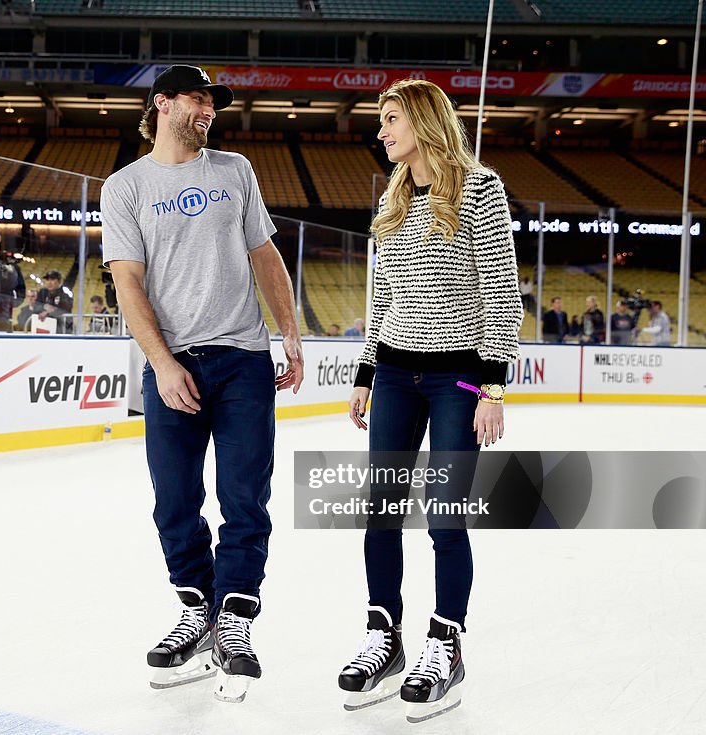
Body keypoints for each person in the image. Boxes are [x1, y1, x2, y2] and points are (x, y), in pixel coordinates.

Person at [100, 64, 304, 703]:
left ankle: (235, 621)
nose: (208, 110)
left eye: (213, 102)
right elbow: (127, 283)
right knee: (174, 503)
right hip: (172, 365)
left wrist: (290, 333)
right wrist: (162, 363)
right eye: (197, 99)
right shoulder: (126, 186)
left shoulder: (234, 171)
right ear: (162, 104)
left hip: (243, 359)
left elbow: (264, 255)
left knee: (245, 499)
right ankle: (198, 611)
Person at [341, 79, 522, 723]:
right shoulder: (390, 202)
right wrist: (365, 372)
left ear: (423, 120)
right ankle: (382, 638)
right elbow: (380, 302)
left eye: (391, 120)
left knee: (444, 516)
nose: (381, 131)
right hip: (392, 376)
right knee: (381, 511)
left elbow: (501, 294)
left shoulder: (479, 188)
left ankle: (444, 644)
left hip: (457, 380)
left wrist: (492, 386)